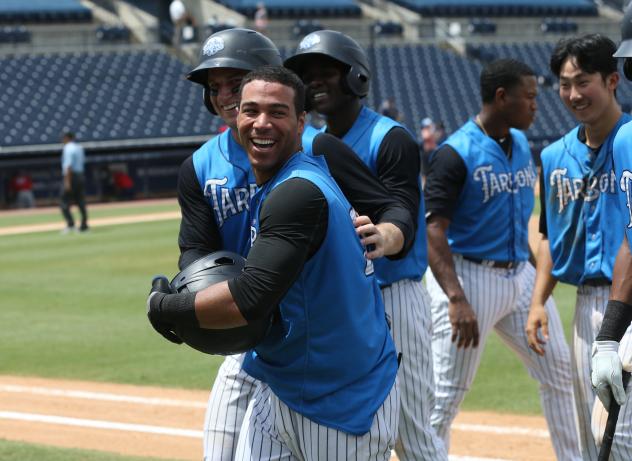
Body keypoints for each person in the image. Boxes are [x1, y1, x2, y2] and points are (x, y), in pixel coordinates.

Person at [180, 28, 414, 461]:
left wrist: (388, 234)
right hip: (252, 325)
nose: (226, 96)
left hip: (323, 325)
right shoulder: (200, 166)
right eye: (217, 88)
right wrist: (202, 294)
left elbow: (393, 207)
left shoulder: (316, 149)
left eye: (238, 82)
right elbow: (196, 249)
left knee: (408, 434)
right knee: (220, 449)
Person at [285, 30, 447, 461]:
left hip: (394, 295)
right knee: (344, 426)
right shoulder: (306, 143)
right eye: (307, 77)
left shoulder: (389, 137)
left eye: (326, 73)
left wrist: (387, 236)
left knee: (412, 434)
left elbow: (404, 213)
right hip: (341, 306)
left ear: (356, 78)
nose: (314, 83)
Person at [423, 58, 581, 459]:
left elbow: (517, 217)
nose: (535, 105)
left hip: (519, 274)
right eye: (528, 97)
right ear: (500, 96)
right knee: (445, 399)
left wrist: (534, 285)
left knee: (560, 374)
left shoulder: (522, 143)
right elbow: (433, 230)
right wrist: (456, 300)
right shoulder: (454, 153)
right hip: (469, 277)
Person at [524, 34, 632, 458]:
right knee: (594, 436)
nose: (572, 94)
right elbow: (553, 236)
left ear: (611, 80)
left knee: (622, 437)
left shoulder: (629, 140)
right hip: (586, 304)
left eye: (582, 81)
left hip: (625, 298)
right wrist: (537, 302)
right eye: (564, 84)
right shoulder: (554, 156)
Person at [60, 131, 88, 233]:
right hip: (80, 175)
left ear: (67, 138)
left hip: (71, 176)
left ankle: (70, 224)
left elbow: (68, 166)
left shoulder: (68, 148)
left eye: (63, 138)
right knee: (81, 201)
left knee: (64, 202)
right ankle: (84, 225)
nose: (62, 140)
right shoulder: (79, 147)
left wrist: (67, 182)